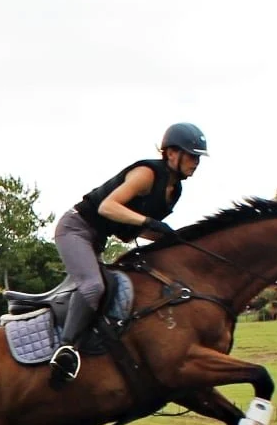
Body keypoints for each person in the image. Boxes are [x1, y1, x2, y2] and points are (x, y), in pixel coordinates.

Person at [48, 122, 208, 385]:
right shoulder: (147, 173)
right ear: (170, 153)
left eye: (198, 157)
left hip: (97, 239)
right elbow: (108, 207)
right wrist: (148, 223)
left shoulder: (174, 191)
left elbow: (131, 229)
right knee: (92, 286)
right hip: (75, 229)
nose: (196, 162)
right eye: (192, 155)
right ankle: (66, 350)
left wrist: (173, 239)